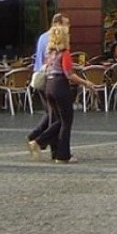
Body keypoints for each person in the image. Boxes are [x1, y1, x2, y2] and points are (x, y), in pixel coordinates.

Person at [28, 22, 81, 163]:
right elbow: (69, 74)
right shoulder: (65, 53)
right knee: (66, 121)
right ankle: (60, 154)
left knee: (57, 120)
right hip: (60, 87)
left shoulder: (50, 54)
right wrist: (86, 83)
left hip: (49, 87)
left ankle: (54, 151)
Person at [26, 13, 70, 155]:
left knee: (52, 115)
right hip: (49, 79)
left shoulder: (43, 37)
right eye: (66, 23)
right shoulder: (54, 38)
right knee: (56, 117)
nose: (68, 27)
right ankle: (43, 143)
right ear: (57, 23)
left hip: (42, 76)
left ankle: (38, 139)